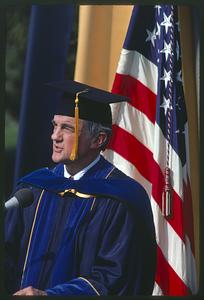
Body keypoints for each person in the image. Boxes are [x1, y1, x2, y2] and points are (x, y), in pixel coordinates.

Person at [5, 80, 157, 296]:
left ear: (98, 139)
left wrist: (52, 296)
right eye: (54, 125)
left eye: (67, 128)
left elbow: (116, 278)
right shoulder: (33, 188)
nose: (55, 136)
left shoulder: (120, 199)